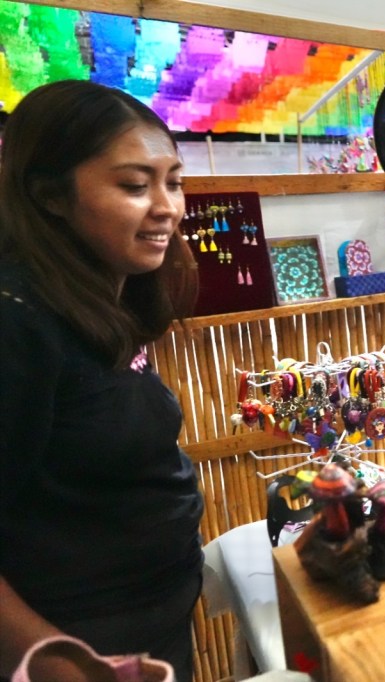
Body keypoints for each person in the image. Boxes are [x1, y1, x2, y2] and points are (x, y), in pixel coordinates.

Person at [0, 81, 204, 680]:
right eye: (136, 186)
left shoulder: (106, 301)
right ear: (50, 196)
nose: (167, 207)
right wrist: (65, 665)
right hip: (84, 650)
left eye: (174, 182)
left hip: (153, 629)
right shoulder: (17, 323)